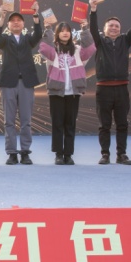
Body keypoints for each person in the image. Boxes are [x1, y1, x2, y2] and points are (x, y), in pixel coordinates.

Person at [89, 0, 131, 165]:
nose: (114, 28)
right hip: (103, 89)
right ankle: (105, 154)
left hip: (121, 89)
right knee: (104, 125)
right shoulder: (99, 42)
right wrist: (93, 10)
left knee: (122, 124)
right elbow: (93, 28)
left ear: (120, 30)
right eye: (111, 26)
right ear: (105, 29)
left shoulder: (125, 41)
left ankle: (121, 154)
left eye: (117, 26)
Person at [38, 20, 95, 165]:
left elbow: (90, 48)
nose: (65, 33)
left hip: (73, 93)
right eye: (62, 30)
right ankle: (58, 154)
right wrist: (48, 29)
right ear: (57, 34)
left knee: (70, 124)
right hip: (56, 92)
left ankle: (68, 154)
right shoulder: (53, 50)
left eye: (67, 30)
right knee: (57, 123)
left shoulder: (78, 50)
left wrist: (85, 29)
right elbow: (43, 49)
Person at [0, 2, 42, 165]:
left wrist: (35, 15)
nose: (16, 22)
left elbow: (38, 34)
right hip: (9, 83)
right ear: (8, 25)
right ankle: (12, 153)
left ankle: (25, 152)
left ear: (23, 24)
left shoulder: (28, 39)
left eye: (19, 20)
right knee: (9, 120)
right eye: (12, 21)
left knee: (26, 121)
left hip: (26, 83)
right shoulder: (5, 40)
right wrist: (1, 17)